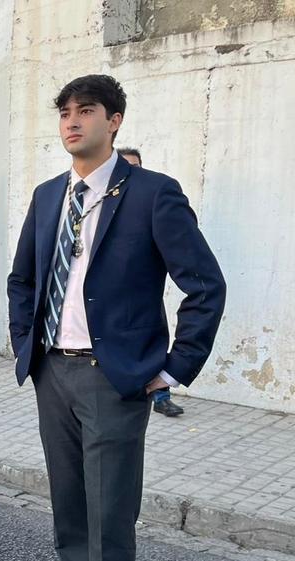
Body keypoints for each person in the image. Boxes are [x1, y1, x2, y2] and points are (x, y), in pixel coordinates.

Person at [7, 75, 226, 561]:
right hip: (53, 372)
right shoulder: (50, 194)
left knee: (109, 517)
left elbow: (204, 286)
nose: (72, 122)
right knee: (69, 509)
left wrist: (175, 369)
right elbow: (23, 277)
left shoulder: (154, 194)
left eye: (86, 111)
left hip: (114, 379)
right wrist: (26, 342)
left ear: (115, 120)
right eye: (65, 113)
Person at [117, 147, 183, 418]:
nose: (133, 173)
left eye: (137, 166)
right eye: (126, 167)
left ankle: (162, 395)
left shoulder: (156, 199)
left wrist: (177, 369)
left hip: (144, 306)